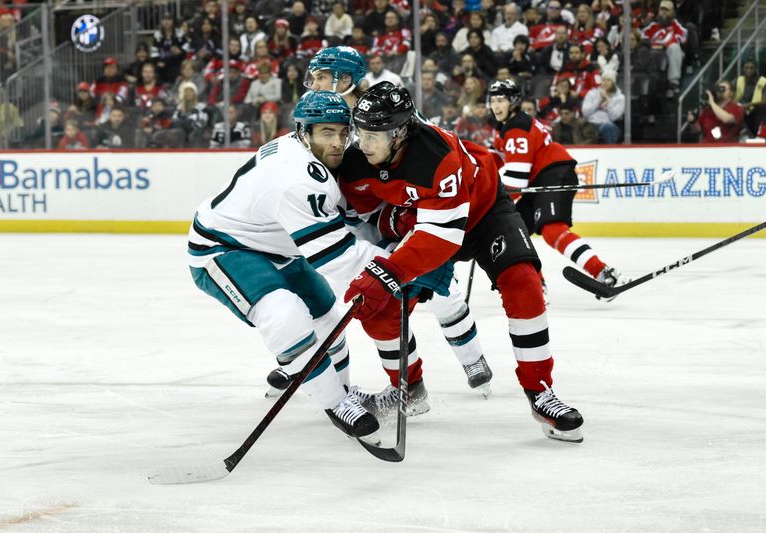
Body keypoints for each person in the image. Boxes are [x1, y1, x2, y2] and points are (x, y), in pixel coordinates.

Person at [337, 81, 584, 443]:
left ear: (401, 132)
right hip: (430, 223)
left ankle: (540, 391)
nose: (365, 142)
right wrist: (392, 221)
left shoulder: (434, 156)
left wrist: (385, 270)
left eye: (377, 134)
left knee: (523, 282)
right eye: (362, 132)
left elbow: (442, 239)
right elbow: (367, 215)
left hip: (482, 211)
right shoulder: (356, 163)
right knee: (382, 310)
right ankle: (409, 389)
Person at [297, 47, 494, 400]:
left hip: (412, 211)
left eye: (322, 76)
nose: (314, 84)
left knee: (435, 294)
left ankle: (471, 357)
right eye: (313, 76)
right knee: (369, 301)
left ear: (345, 80)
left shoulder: (387, 106)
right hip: (364, 213)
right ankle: (312, 359)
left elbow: (426, 157)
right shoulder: (322, 111)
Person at [187, 90, 382, 442]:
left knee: (329, 320)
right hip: (223, 248)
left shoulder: (310, 154)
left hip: (278, 246)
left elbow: (348, 222)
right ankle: (335, 402)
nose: (338, 142)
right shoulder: (298, 175)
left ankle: (332, 383)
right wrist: (399, 267)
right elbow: (335, 258)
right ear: (304, 132)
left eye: (342, 132)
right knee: (284, 314)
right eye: (326, 133)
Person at [488, 79, 628, 303]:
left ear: (513, 102)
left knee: (552, 230)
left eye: (501, 100)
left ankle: (605, 273)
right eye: (493, 100)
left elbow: (516, 179)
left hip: (553, 173)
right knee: (514, 232)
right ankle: (535, 285)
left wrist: (488, 201)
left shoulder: (516, 127)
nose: (496, 106)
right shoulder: (508, 127)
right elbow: (496, 158)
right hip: (540, 179)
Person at [581, 70, 624, 144]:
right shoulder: (592, 93)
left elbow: (613, 117)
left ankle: (611, 151)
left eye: (608, 80)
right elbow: (585, 112)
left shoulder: (620, 98)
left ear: (614, 83)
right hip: (591, 123)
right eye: (603, 80)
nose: (605, 82)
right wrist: (599, 101)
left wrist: (607, 100)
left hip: (609, 125)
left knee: (607, 127)